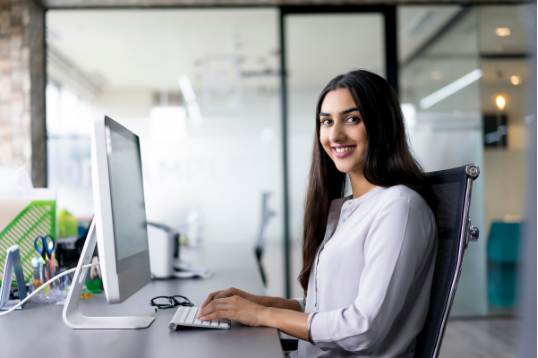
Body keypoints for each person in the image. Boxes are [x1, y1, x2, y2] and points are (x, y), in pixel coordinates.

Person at [197, 70, 438, 358]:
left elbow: (363, 328)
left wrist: (261, 314)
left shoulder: (399, 207)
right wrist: (257, 303)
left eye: (352, 119)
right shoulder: (349, 207)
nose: (335, 135)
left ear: (382, 124)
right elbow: (325, 310)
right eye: (327, 121)